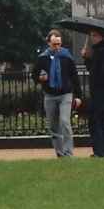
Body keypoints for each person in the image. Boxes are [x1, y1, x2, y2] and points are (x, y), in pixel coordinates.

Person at [34, 29, 83, 157]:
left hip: (65, 95)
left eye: (59, 44)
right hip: (49, 95)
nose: (57, 47)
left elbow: (74, 76)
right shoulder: (42, 58)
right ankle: (60, 154)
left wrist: (78, 96)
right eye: (54, 44)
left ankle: (68, 153)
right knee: (54, 127)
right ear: (48, 43)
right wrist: (40, 78)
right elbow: (34, 75)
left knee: (65, 122)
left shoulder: (66, 56)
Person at [81, 29, 104, 158]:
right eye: (91, 35)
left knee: (98, 120)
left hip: (100, 91)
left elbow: (103, 72)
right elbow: (91, 69)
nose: (92, 38)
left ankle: (103, 150)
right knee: (96, 120)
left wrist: (90, 59)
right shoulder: (97, 51)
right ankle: (100, 150)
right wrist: (86, 58)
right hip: (96, 91)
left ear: (101, 36)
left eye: (94, 35)